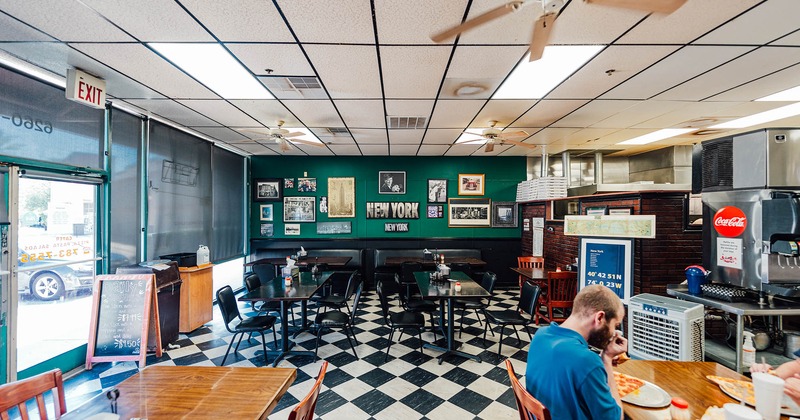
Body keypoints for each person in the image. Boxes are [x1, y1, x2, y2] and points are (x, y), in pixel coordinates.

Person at [525, 284, 627, 420]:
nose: (614, 333)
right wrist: (606, 359)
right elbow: (615, 418)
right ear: (599, 318)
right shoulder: (587, 361)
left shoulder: (540, 335)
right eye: (615, 325)